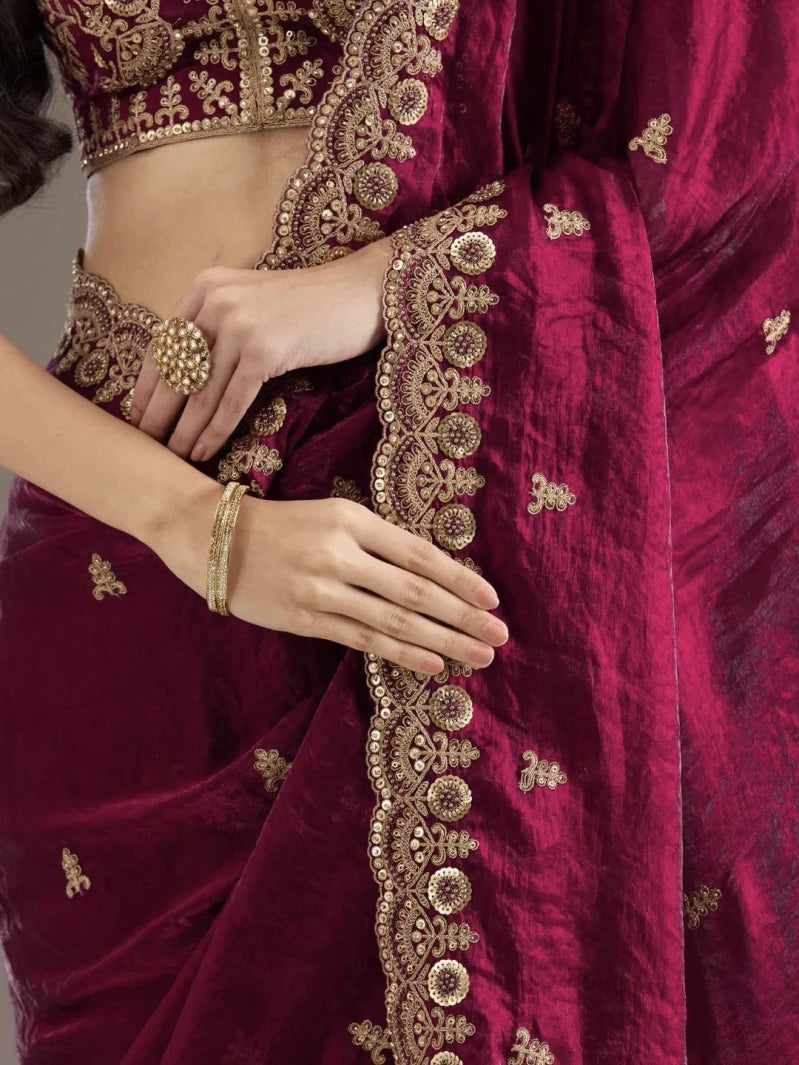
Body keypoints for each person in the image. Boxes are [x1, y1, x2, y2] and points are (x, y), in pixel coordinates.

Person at [0, 0, 796, 1062]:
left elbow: (725, 134)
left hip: (463, 482)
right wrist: (200, 524)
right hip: (131, 566)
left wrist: (379, 282)